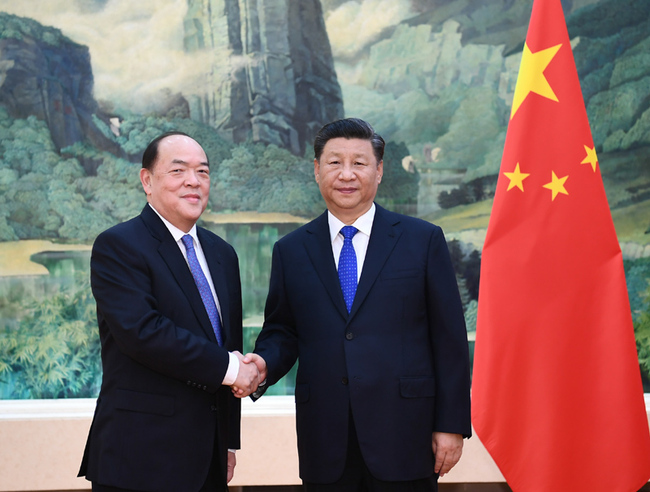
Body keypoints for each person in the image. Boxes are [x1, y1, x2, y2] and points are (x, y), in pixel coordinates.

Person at [238, 118, 471, 491]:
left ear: (378, 171)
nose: (346, 174)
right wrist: (262, 363)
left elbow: (449, 340)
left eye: (359, 163)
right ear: (316, 170)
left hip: (405, 434)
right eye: (334, 162)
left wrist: (451, 424)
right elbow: (283, 329)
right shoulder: (292, 250)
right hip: (325, 439)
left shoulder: (422, 240)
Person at [78, 131, 261, 492]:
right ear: (147, 180)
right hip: (140, 459)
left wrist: (227, 441)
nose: (193, 181)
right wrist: (232, 369)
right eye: (178, 171)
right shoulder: (119, 245)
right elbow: (144, 333)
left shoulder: (222, 254)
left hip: (207, 459)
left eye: (203, 172)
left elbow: (228, 341)